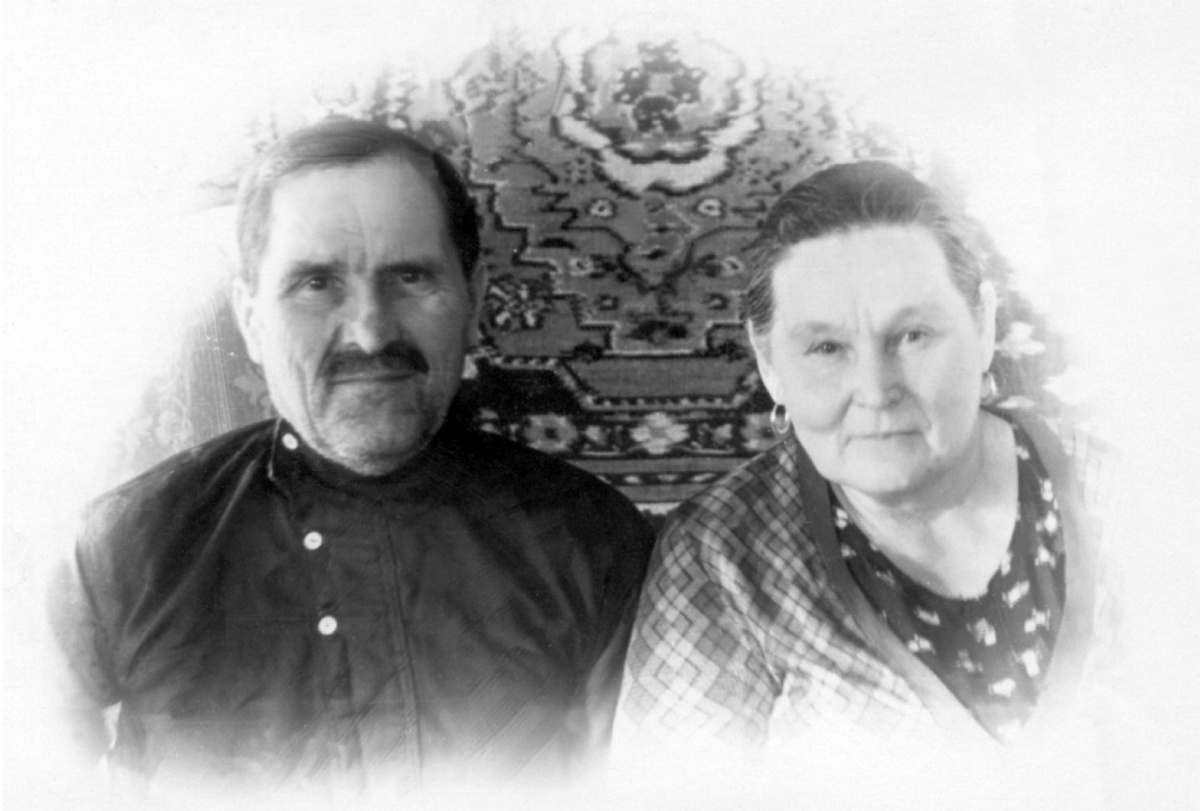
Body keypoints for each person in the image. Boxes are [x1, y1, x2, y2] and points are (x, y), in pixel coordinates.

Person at [49, 118, 654, 796]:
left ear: (474, 300)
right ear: (250, 318)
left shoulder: (592, 543)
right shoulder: (122, 547)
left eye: (410, 276)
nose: (370, 333)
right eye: (316, 283)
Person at [617, 162, 1120, 764]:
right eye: (827, 347)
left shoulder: (1140, 500)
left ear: (983, 326)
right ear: (770, 362)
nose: (876, 390)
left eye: (913, 335)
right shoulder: (719, 557)